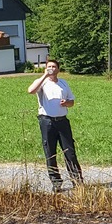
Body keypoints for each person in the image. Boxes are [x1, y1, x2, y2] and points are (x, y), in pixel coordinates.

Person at [27, 58, 83, 192]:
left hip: (62, 121)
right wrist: (45, 75)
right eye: (49, 66)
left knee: (70, 152)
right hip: (47, 122)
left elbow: (72, 101)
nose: (51, 68)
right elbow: (31, 90)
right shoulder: (42, 82)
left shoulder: (63, 83)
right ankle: (56, 182)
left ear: (58, 69)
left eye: (54, 67)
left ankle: (77, 180)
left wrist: (67, 103)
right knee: (50, 153)